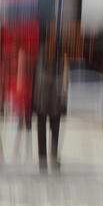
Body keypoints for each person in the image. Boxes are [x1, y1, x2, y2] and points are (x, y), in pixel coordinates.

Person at [33, 43, 68, 173]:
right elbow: (64, 78)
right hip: (52, 97)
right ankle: (51, 158)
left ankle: (45, 160)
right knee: (54, 130)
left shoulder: (44, 53)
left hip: (46, 97)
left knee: (45, 130)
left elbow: (38, 77)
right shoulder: (59, 54)